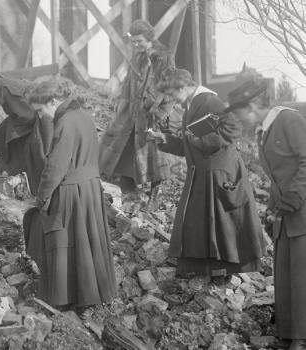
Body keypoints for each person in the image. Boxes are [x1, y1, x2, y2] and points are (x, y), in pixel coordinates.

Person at [150, 68, 265, 278]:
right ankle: (211, 271)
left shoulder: (210, 101)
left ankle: (221, 273)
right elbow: (190, 145)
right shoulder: (193, 105)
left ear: (183, 87)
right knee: (208, 224)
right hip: (204, 172)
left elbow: (234, 129)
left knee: (221, 225)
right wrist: (165, 141)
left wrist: (199, 141)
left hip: (219, 173)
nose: (171, 99)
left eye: (172, 93)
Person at [228, 78, 306, 350]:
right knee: (285, 275)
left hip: (301, 209)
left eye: (238, 113)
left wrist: (295, 196)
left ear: (251, 106)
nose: (239, 119)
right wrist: (272, 210)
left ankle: (299, 339)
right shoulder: (265, 130)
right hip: (286, 212)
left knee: (300, 275)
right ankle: (288, 335)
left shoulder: (288, 120)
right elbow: (276, 178)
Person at [25, 80, 116, 312]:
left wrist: (42, 197)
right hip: (89, 188)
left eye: (40, 110)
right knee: (87, 241)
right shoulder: (82, 115)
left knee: (63, 238)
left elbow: (56, 166)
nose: (41, 116)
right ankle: (91, 293)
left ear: (53, 101)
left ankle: (65, 297)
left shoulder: (64, 123)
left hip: (72, 189)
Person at [98, 19, 177, 210]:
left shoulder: (163, 57)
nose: (135, 45)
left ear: (149, 38)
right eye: (133, 41)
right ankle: (128, 186)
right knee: (124, 144)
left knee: (154, 153)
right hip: (133, 111)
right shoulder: (137, 57)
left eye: (139, 41)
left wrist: (159, 110)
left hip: (153, 112)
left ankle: (155, 194)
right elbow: (127, 82)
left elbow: (170, 85)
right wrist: (122, 103)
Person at [0, 74, 53, 194]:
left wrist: (11, 133)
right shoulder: (4, 89)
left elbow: (28, 117)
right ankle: (5, 171)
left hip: (38, 122)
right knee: (2, 135)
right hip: (29, 119)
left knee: (20, 146)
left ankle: (21, 178)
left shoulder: (9, 93)